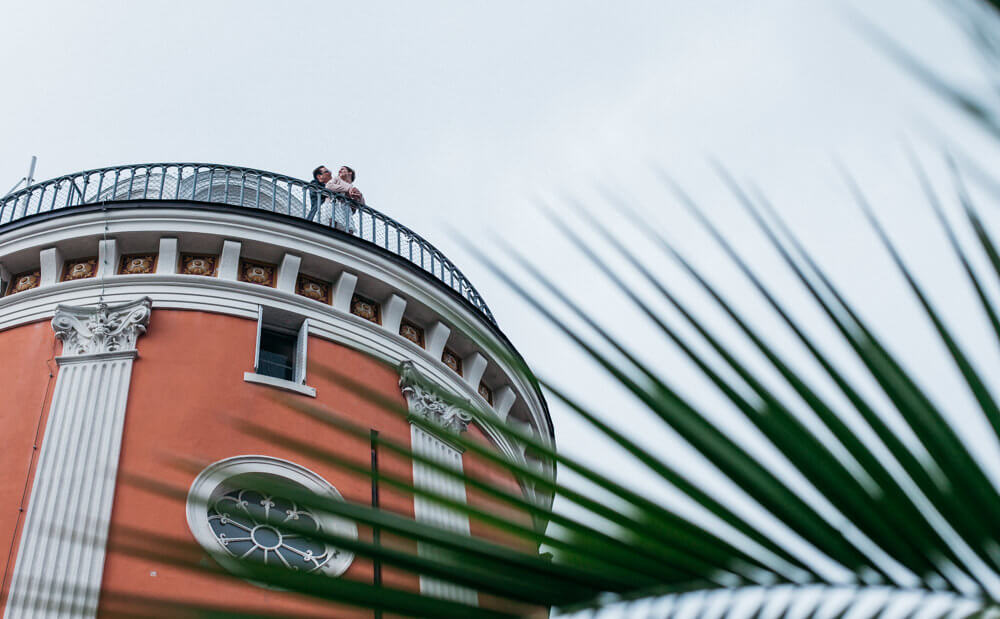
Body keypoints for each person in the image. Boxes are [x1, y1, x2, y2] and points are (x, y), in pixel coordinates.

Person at [324, 166, 364, 233]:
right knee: (333, 222)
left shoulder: (353, 188)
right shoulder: (337, 179)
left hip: (346, 211)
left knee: (350, 229)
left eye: (342, 169)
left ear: (350, 172)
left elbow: (361, 204)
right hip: (334, 205)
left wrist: (358, 197)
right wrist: (348, 189)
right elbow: (328, 186)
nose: (339, 171)